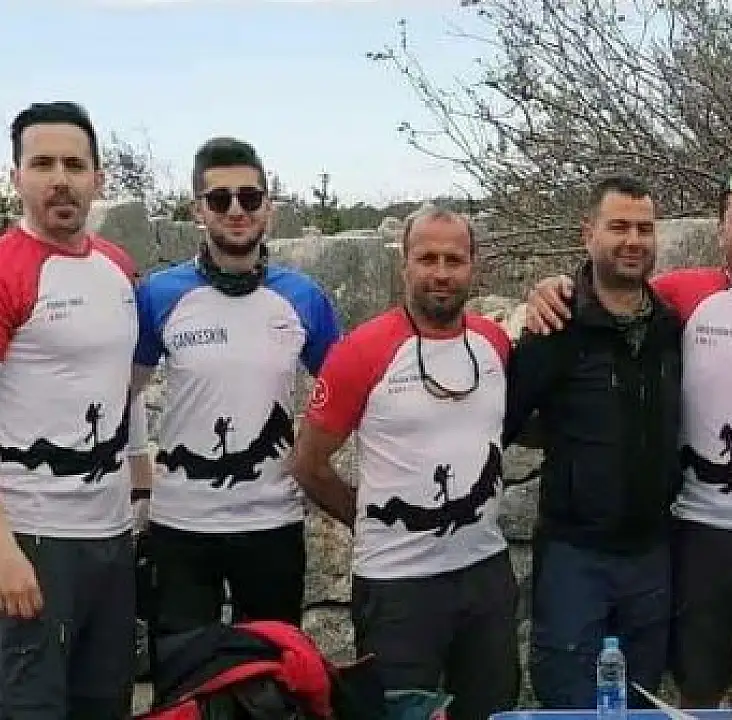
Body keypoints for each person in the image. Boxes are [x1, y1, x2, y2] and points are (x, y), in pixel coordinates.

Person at [524, 169, 732, 707]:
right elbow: (607, 292)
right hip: (702, 537)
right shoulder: (682, 294)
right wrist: (549, 290)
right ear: (720, 230)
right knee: (696, 694)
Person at [293, 207, 519, 720]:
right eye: (427, 259)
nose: (441, 273)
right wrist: (368, 518)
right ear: (405, 265)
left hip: (485, 574)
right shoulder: (362, 352)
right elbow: (308, 464)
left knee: (493, 711)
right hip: (397, 585)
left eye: (454, 260)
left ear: (474, 266)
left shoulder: (494, 344)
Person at [129, 137, 341, 637]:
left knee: (270, 674)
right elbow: (123, 393)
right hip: (181, 524)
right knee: (184, 674)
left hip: (271, 521)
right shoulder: (159, 295)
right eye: (220, 199)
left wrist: (316, 466)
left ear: (268, 206)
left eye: (249, 197)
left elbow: (343, 396)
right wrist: (139, 482)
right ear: (198, 210)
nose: (236, 210)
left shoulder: (304, 298)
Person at [504, 176, 683, 709]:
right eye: (619, 227)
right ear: (589, 233)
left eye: (644, 229)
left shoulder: (670, 327)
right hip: (574, 558)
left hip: (651, 554)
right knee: (570, 703)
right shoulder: (554, 326)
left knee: (645, 702)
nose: (633, 241)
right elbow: (502, 422)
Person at [0, 102, 140, 718]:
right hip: (32, 539)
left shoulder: (118, 268)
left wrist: (142, 496)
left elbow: (124, 388)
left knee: (104, 704)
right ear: (16, 177)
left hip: (110, 536)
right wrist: (3, 551)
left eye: (74, 165)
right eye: (42, 164)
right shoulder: (7, 270)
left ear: (98, 178)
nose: (60, 179)